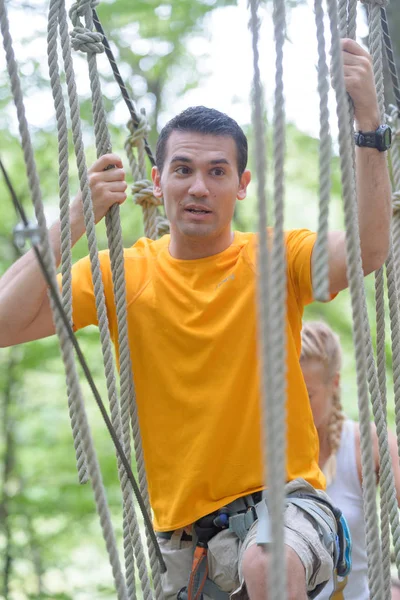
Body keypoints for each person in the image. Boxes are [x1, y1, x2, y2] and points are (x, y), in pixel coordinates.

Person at [0, 39, 392, 600]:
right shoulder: (122, 274)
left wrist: (369, 126)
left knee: (267, 563)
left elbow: (369, 249)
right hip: (186, 546)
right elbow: (4, 322)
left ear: (243, 185)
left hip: (285, 508)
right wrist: (78, 216)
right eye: (182, 170)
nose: (199, 187)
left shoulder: (276, 259)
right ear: (157, 183)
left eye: (217, 171)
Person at [300, 321, 400, 600]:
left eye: (306, 395)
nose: (295, 405)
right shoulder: (268, 455)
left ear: (334, 384)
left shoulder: (367, 444)